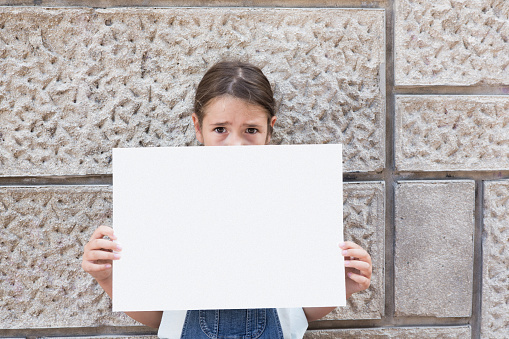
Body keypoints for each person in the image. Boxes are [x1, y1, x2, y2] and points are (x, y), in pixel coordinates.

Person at [82, 60, 372, 338]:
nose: (235, 144)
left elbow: (299, 313)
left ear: (270, 129)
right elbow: (160, 317)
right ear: (198, 127)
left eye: (251, 130)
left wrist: (343, 284)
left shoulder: (293, 199)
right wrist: (106, 277)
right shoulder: (166, 198)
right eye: (220, 129)